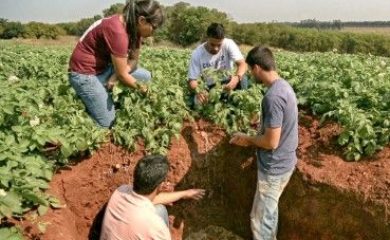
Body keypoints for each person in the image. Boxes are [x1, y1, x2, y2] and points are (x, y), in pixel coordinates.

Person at [229, 46, 298, 240]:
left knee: (259, 221)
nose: (251, 74)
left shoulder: (272, 97)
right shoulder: (284, 86)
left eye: (251, 70)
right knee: (269, 213)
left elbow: (271, 142)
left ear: (257, 68)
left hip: (274, 168)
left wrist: (248, 139)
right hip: (286, 162)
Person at [68, 0, 164, 128]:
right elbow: (123, 74)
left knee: (146, 77)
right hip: (85, 74)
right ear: (142, 21)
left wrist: (116, 75)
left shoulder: (134, 29)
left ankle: (100, 94)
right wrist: (143, 89)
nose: (154, 32)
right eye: (154, 27)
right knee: (108, 123)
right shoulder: (118, 31)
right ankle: (77, 115)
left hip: (105, 67)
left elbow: (134, 61)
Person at [100, 155, 205, 240]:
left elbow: (154, 199)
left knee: (160, 210)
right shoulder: (155, 226)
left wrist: (185, 193)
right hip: (150, 227)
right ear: (160, 186)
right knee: (159, 213)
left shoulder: (121, 191)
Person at [187, 23, 248, 107]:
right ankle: (222, 102)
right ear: (207, 38)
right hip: (210, 87)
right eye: (212, 44)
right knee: (195, 101)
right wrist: (199, 92)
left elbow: (242, 64)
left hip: (228, 83)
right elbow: (192, 80)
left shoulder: (228, 44)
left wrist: (237, 78)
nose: (216, 48)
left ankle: (240, 105)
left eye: (219, 45)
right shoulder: (197, 53)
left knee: (243, 79)